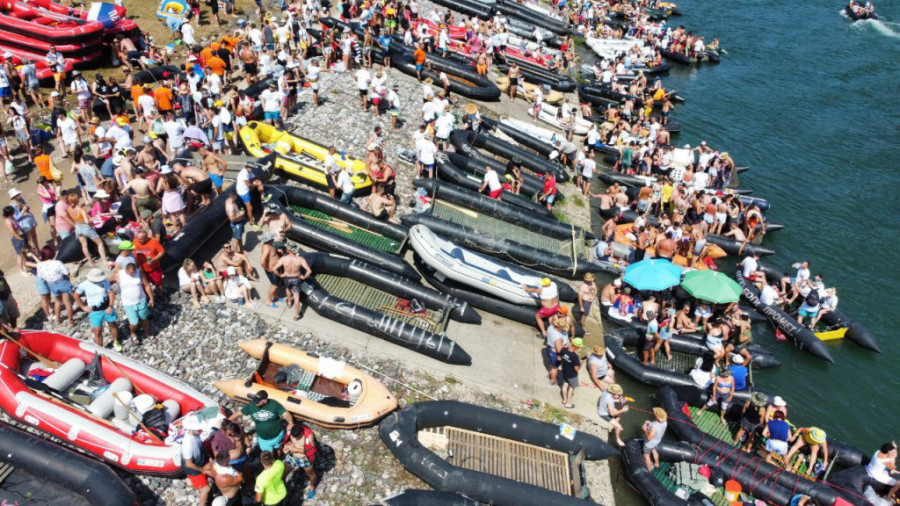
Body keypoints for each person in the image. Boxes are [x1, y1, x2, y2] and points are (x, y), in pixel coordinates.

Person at [229, 390, 293, 453]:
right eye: (255, 400)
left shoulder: (274, 404)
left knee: (278, 448)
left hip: (277, 436)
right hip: (263, 439)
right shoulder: (251, 406)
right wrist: (227, 421)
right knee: (267, 454)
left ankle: (278, 457)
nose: (255, 403)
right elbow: (238, 413)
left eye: (257, 402)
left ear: (265, 400)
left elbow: (286, 413)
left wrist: (290, 423)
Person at [74, 268, 121, 350]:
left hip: (107, 308)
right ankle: (100, 349)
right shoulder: (84, 284)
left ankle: (115, 341)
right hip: (94, 311)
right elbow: (76, 295)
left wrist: (111, 306)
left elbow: (111, 292)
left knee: (113, 324)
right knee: (97, 331)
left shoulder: (105, 281)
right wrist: (83, 306)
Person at [114, 253, 154, 343]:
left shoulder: (139, 272)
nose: (133, 274)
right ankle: (133, 332)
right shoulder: (119, 274)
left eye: (134, 272)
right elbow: (109, 282)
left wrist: (151, 298)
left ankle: (147, 333)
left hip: (141, 300)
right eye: (131, 273)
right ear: (126, 270)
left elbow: (147, 286)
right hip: (128, 303)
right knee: (134, 322)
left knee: (144, 318)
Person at [34, 246, 75, 327]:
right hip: (62, 282)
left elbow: (40, 276)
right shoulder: (57, 263)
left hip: (51, 285)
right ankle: (71, 321)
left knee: (58, 302)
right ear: (52, 254)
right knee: (67, 303)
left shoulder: (39, 265)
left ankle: (58, 320)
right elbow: (66, 272)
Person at [275, 245, 312, 320]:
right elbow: (309, 271)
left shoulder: (284, 259)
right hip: (296, 278)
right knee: (296, 297)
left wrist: (280, 275)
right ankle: (296, 315)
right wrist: (304, 277)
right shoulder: (300, 259)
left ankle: (289, 302)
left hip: (287, 278)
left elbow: (274, 269)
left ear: (288, 250)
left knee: (288, 289)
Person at [282, 423, 318, 500]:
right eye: (293, 437)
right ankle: (283, 489)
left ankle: (312, 487)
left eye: (297, 437)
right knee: (283, 473)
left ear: (302, 433)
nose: (295, 439)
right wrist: (286, 447)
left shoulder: (309, 436)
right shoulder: (292, 433)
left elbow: (311, 450)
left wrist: (297, 449)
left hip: (304, 458)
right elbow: (289, 442)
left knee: (310, 475)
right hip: (293, 456)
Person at [181, 417, 212, 506]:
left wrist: (209, 456)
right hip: (193, 469)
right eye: (198, 428)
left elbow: (201, 445)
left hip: (200, 461)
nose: (201, 430)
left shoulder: (195, 434)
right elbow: (189, 463)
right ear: (191, 429)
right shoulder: (188, 444)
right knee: (206, 489)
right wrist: (202, 470)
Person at [559, 337, 582, 409]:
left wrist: (566, 346)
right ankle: (568, 403)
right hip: (572, 375)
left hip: (565, 371)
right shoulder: (575, 357)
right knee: (571, 388)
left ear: (572, 343)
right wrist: (581, 363)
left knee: (565, 385)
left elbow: (559, 357)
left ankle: (564, 399)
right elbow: (577, 369)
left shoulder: (563, 350)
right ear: (577, 347)